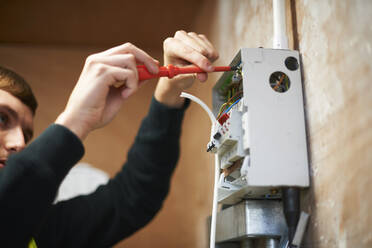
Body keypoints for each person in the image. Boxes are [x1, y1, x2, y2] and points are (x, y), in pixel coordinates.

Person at [0, 30, 218, 247]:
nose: (19, 143)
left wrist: (170, 89)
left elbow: (131, 198)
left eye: (27, 134)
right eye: (2, 119)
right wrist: (74, 122)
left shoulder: (40, 231)